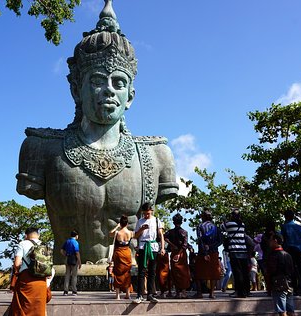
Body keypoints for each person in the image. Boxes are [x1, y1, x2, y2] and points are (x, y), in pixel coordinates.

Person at [15, 0, 179, 264]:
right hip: (66, 273)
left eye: (119, 82)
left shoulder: (156, 155)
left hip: (130, 274)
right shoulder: (41, 148)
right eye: (98, 80)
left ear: (130, 96)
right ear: (76, 89)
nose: (109, 89)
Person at [9, 227, 51, 316]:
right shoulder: (45, 245)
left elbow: (16, 264)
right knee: (39, 309)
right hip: (41, 281)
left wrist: (17, 271)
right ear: (38, 235)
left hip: (26, 279)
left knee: (23, 307)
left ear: (26, 235)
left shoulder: (22, 244)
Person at [133, 202, 165, 304]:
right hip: (143, 246)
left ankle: (151, 294)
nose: (147, 215)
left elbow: (161, 235)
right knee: (142, 270)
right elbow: (135, 236)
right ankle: (140, 294)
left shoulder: (156, 220)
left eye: (148, 213)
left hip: (153, 247)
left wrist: (162, 248)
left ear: (151, 211)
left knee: (152, 271)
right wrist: (141, 229)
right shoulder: (140, 221)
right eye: (145, 213)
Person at [193, 209, 222, 299]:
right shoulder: (216, 227)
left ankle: (199, 293)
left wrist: (205, 252)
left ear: (203, 217)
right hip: (214, 252)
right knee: (213, 272)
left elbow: (200, 239)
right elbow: (220, 240)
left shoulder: (200, 226)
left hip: (202, 252)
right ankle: (212, 293)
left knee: (198, 272)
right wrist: (212, 246)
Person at [222, 209, 250, 298]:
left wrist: (224, 220)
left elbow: (222, 227)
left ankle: (239, 292)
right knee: (244, 272)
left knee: (237, 272)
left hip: (234, 251)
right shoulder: (242, 225)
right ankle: (245, 291)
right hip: (243, 251)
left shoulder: (229, 224)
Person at [281, 209, 301, 297]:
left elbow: (283, 239)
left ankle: (296, 290)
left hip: (289, 249)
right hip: (299, 249)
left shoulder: (284, 226)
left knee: (292, 270)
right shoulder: (298, 226)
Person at [266, 233, 295, 316]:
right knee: (291, 311)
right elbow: (292, 270)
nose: (269, 242)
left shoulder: (273, 255)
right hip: (289, 284)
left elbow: (271, 271)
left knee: (282, 311)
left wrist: (269, 286)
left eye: (271, 240)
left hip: (278, 284)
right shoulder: (288, 254)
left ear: (275, 241)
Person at [164, 213, 191, 299]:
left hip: (175, 253)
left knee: (175, 272)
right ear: (182, 222)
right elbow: (184, 245)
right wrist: (179, 253)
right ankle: (183, 292)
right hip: (181, 253)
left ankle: (178, 292)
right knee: (183, 273)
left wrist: (172, 245)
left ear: (173, 222)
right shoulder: (184, 232)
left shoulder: (170, 232)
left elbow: (164, 237)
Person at [109, 215, 134, 300]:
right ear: (127, 223)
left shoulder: (117, 233)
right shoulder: (130, 233)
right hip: (127, 253)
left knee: (117, 273)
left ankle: (117, 295)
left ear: (121, 223)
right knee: (127, 273)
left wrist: (117, 226)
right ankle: (127, 294)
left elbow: (110, 233)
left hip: (119, 254)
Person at [60, 230, 81, 296]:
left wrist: (65, 255)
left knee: (67, 275)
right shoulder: (75, 242)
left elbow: (61, 250)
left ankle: (65, 291)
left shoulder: (67, 241)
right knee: (74, 276)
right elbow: (77, 252)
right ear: (76, 235)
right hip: (74, 259)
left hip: (67, 258)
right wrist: (79, 261)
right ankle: (74, 291)